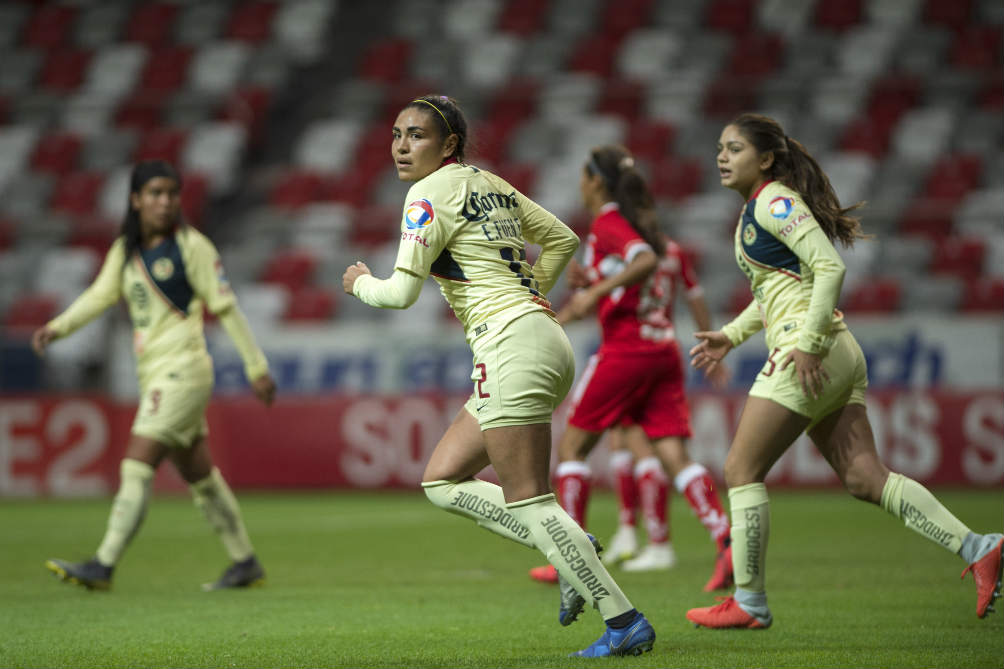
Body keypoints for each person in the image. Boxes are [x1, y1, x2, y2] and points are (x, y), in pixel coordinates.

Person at [341, 95, 654, 657]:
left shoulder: (427, 194)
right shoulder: (491, 184)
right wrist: (535, 289)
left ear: (448, 145)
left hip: (511, 344)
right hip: (539, 339)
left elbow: (400, 293)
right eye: (395, 134)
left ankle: (623, 619)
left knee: (530, 499)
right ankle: (572, 544)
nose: (401, 146)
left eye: (416, 135)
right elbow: (563, 239)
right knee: (443, 479)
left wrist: (360, 282)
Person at [684, 112, 1003, 629]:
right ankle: (979, 546)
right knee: (864, 477)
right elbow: (777, 291)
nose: (722, 156)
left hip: (809, 351)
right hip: (835, 351)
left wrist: (808, 343)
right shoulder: (756, 209)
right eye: (720, 147)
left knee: (741, 470)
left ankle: (749, 601)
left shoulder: (774, 201)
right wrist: (731, 335)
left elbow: (829, 266)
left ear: (765, 159)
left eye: (735, 148)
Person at [33, 160, 276, 592]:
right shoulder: (125, 253)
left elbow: (225, 307)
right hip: (156, 373)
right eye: (155, 194)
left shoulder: (191, 246)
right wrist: (59, 326)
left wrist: (256, 367)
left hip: (183, 370)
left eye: (171, 194)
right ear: (136, 200)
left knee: (136, 463)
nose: (164, 202)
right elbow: (99, 295)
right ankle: (245, 562)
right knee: (201, 477)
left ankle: (103, 564)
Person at [527, 145, 733, 591]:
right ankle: (725, 538)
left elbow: (641, 263)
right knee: (674, 456)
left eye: (584, 175)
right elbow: (678, 290)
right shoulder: (660, 241)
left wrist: (596, 291)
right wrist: (573, 303)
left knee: (572, 450)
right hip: (663, 352)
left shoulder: (609, 224)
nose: (579, 183)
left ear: (597, 181)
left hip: (625, 352)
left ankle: (570, 557)